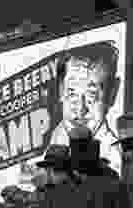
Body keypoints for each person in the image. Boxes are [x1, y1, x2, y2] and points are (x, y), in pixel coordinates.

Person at [49, 42, 122, 171]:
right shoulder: (49, 146)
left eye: (91, 95)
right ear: (60, 91)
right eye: (72, 94)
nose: (81, 110)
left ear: (112, 93)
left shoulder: (117, 159)